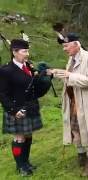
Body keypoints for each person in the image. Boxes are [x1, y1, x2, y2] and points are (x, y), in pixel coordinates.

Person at [52, 33, 88, 176]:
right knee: (75, 129)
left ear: (76, 44)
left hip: (86, 102)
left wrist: (69, 76)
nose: (64, 49)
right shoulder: (71, 60)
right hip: (73, 101)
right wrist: (57, 74)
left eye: (66, 46)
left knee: (87, 129)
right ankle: (81, 154)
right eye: (63, 46)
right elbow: (69, 78)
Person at [0, 39, 52, 176]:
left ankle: (26, 162)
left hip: (30, 106)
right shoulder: (6, 70)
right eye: (24, 51)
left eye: (28, 51)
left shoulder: (28, 67)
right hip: (17, 109)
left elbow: (34, 86)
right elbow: (2, 93)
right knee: (19, 138)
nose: (27, 54)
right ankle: (20, 165)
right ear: (14, 52)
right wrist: (13, 110)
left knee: (28, 136)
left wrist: (45, 78)